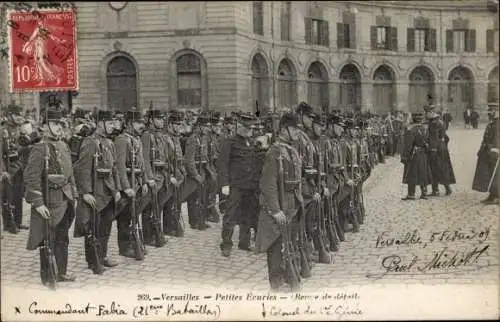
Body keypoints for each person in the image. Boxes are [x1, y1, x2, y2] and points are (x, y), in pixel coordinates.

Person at [24, 107, 78, 285]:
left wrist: (74, 194)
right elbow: (31, 178)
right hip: (49, 202)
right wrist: (38, 203)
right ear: (45, 126)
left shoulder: (63, 145)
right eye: (55, 124)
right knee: (48, 239)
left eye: (61, 124)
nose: (59, 127)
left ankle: (61, 272)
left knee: (62, 238)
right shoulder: (39, 148)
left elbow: (70, 174)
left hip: (65, 200)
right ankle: (48, 276)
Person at [255, 112, 303, 292]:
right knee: (275, 244)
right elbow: (268, 184)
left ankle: (289, 276)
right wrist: (275, 210)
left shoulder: (291, 150)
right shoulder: (274, 152)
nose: (298, 132)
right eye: (294, 129)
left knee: (290, 243)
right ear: (283, 130)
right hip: (280, 205)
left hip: (292, 204)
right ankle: (275, 282)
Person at [73, 110, 121, 274]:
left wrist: (116, 189)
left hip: (107, 192)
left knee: (105, 227)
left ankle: (103, 255)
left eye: (113, 123)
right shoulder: (89, 142)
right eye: (110, 123)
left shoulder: (109, 143)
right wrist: (85, 192)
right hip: (95, 191)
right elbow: (82, 168)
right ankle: (93, 261)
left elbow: (114, 168)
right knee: (93, 227)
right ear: (100, 124)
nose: (113, 126)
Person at [218, 113, 260, 257]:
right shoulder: (229, 142)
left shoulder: (252, 142)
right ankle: (226, 244)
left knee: (247, 214)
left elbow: (255, 163)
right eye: (247, 127)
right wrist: (224, 184)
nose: (250, 130)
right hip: (235, 185)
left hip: (249, 185)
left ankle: (244, 242)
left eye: (251, 128)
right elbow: (222, 164)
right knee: (230, 215)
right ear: (239, 126)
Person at [114, 108, 152, 259]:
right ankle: (125, 247)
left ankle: (134, 243)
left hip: (136, 182)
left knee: (133, 215)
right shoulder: (122, 140)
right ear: (129, 123)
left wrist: (143, 182)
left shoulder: (136, 139)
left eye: (143, 122)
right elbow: (120, 166)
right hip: (128, 184)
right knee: (124, 217)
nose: (142, 125)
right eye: (138, 122)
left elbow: (141, 165)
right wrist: (125, 187)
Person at [141, 108, 169, 248]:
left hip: (161, 174)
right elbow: (145, 158)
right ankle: (148, 236)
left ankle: (157, 233)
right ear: (151, 121)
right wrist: (149, 177)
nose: (162, 121)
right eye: (159, 119)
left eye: (162, 119)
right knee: (149, 207)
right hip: (153, 175)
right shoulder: (147, 135)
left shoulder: (160, 135)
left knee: (158, 206)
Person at [183, 112, 212, 230]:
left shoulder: (204, 138)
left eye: (208, 126)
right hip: (195, 173)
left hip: (202, 170)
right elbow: (189, 160)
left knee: (202, 197)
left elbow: (206, 155)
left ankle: (201, 220)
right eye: (205, 126)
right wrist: (195, 175)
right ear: (199, 126)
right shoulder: (193, 139)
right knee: (194, 198)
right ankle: (194, 221)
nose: (207, 128)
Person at [163, 110, 186, 237]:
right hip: (171, 173)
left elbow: (180, 157)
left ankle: (172, 225)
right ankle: (168, 227)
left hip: (179, 173)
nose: (178, 127)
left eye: (180, 124)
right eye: (176, 124)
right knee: (169, 202)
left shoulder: (176, 138)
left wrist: (182, 172)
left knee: (176, 201)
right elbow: (166, 159)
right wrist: (171, 175)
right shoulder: (166, 139)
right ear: (170, 125)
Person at [401, 112, 432, 200]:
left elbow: (408, 145)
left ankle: (411, 194)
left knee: (412, 173)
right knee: (423, 172)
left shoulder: (410, 129)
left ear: (412, 119)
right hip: (423, 153)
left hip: (413, 154)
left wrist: (405, 156)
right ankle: (424, 192)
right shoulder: (425, 128)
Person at [425, 108, 455, 196]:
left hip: (435, 149)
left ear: (431, 113)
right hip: (442, 148)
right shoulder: (440, 122)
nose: (425, 115)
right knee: (443, 168)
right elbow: (446, 137)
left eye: (426, 113)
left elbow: (433, 138)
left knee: (434, 169)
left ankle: (436, 190)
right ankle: (447, 188)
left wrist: (433, 149)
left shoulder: (433, 123)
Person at [472, 108, 499, 204]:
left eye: (492, 111)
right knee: (488, 173)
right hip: (487, 151)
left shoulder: (498, 124)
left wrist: (495, 149)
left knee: (495, 174)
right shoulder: (491, 123)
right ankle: (492, 195)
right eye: (489, 111)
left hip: (494, 152)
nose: (489, 113)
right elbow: (486, 138)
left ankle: (497, 196)